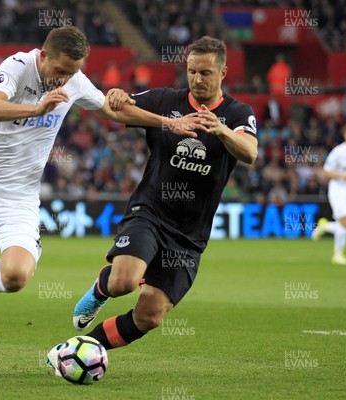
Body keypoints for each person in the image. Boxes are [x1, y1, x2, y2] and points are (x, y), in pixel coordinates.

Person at [0, 25, 205, 381]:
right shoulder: (18, 65)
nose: (64, 79)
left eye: (72, 72)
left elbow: (115, 112)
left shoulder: (74, 80)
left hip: (19, 198)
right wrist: (36, 107)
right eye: (60, 70)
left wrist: (168, 123)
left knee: (16, 276)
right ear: (43, 55)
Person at [46, 36, 258, 369]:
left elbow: (250, 152)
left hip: (189, 234)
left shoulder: (236, 113)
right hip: (151, 211)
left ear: (223, 72)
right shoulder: (165, 99)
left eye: (205, 73)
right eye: (191, 71)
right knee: (123, 283)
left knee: (150, 316)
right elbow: (119, 109)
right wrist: (117, 96)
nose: (197, 79)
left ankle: (68, 349)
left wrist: (221, 131)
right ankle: (100, 290)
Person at [311, 122, 346, 265]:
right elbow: (326, 172)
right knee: (345, 224)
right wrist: (341, 176)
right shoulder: (338, 152)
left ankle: (325, 226)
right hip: (338, 190)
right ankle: (337, 255)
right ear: (345, 135)